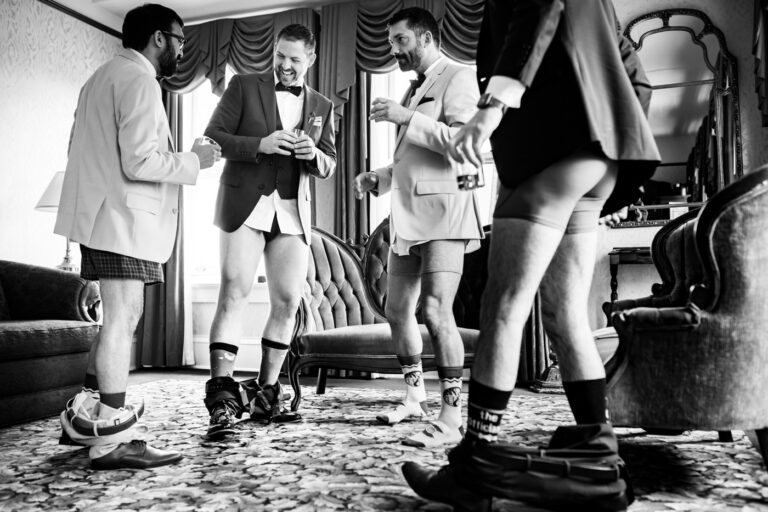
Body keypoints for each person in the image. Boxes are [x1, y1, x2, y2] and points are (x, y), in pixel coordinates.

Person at [402, 0, 660, 510]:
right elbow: (634, 71)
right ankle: (599, 458)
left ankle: (475, 469)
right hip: (597, 155)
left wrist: (489, 111)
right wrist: (607, 132)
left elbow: (536, 9)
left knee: (503, 305)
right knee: (564, 314)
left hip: (553, 154)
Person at [56, 4, 220, 470]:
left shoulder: (99, 78)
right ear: (158, 38)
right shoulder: (141, 81)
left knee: (117, 319)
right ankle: (110, 439)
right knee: (122, 320)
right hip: (123, 221)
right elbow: (140, 162)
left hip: (105, 216)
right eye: (179, 39)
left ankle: (85, 420)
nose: (182, 49)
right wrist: (194, 160)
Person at [354, 7, 483, 448]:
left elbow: (465, 144)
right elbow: (412, 159)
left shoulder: (459, 76)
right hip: (405, 218)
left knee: (436, 310)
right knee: (396, 311)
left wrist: (406, 118)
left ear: (425, 39)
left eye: (400, 41)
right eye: (391, 42)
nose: (394, 50)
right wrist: (379, 178)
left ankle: (452, 415)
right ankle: (414, 397)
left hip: (445, 215)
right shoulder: (413, 90)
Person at [202, 24, 336, 439]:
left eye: (296, 59)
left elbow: (329, 162)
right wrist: (258, 145)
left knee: (287, 300)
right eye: (281, 56)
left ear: (311, 60)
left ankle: (267, 391)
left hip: (292, 211)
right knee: (235, 290)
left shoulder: (322, 105)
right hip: (245, 203)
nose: (286, 66)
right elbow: (213, 138)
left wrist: (314, 154)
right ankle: (223, 397)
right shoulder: (243, 85)